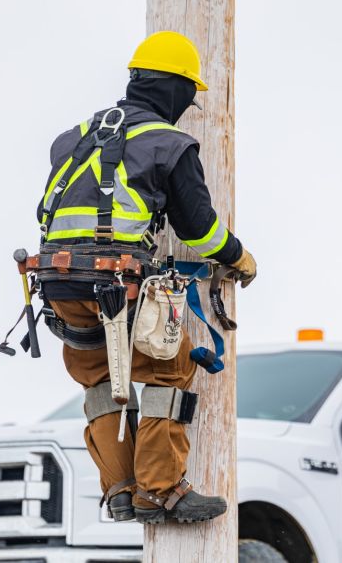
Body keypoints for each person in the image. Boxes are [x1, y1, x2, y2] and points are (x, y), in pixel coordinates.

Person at [35, 30, 256, 525]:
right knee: (165, 373)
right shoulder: (167, 142)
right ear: (176, 87)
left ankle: (118, 488)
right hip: (118, 282)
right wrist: (239, 257)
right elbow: (200, 230)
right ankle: (159, 491)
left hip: (58, 281)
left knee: (99, 378)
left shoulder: (75, 136)